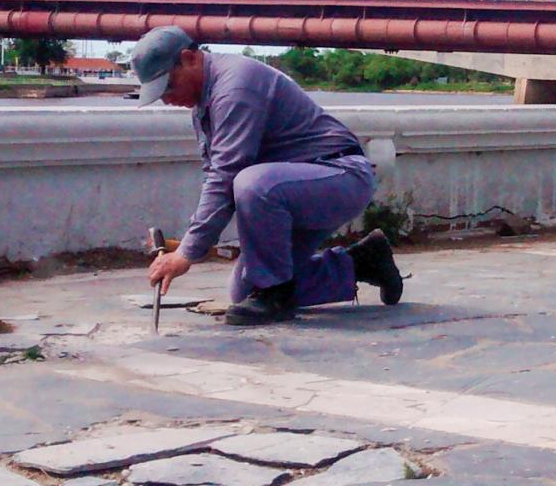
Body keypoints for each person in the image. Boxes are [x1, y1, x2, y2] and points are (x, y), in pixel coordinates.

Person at [133, 26, 404, 326]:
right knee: (246, 290)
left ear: (189, 59)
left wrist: (186, 254)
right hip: (292, 189)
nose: (167, 100)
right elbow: (215, 172)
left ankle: (277, 295)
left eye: (168, 87)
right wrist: (188, 245)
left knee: (251, 185)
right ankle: (362, 262)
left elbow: (227, 175)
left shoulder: (235, 88)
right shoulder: (205, 102)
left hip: (340, 175)